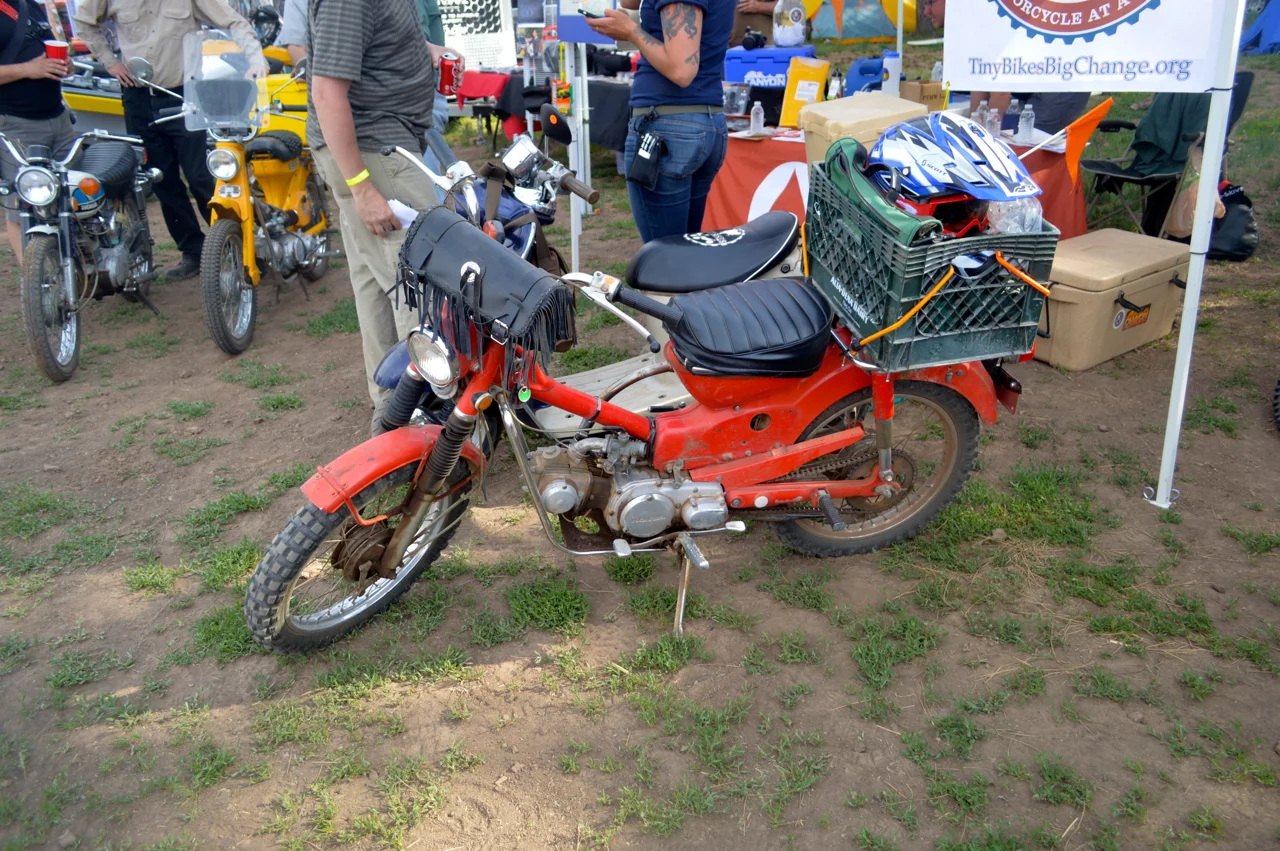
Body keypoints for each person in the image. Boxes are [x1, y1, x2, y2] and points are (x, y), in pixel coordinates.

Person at [307, 0, 459, 419]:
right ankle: (425, 415)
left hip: (380, 150)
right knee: (422, 286)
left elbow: (367, 43)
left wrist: (424, 50)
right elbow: (326, 92)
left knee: (379, 286)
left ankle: (398, 413)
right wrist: (361, 186)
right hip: (376, 155)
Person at [73, 0, 265, 279]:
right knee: (162, 181)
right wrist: (110, 62)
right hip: (138, 96)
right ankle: (193, 251)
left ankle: (241, 244)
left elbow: (233, 22)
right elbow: (84, 23)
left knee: (202, 176)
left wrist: (255, 61)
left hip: (185, 95)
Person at [588, 0, 734, 243]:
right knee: (685, 251)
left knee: (666, 260)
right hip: (701, 121)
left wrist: (631, 31)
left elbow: (681, 70)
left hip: (670, 126)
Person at [923, 0, 1087, 136]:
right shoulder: (969, 19)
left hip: (1060, 85)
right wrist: (972, 131)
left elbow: (1000, 91)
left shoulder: (985, 14)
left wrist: (982, 139)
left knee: (1026, 148)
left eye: (930, 2)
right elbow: (979, 80)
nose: (926, 11)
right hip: (1033, 84)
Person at [0, 0, 75, 264]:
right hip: (15, 124)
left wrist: (65, 66)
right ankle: (37, 289)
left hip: (58, 118)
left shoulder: (28, 4)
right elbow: (30, 65)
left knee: (72, 197)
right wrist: (27, 70)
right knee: (23, 209)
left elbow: (49, 52)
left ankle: (75, 268)